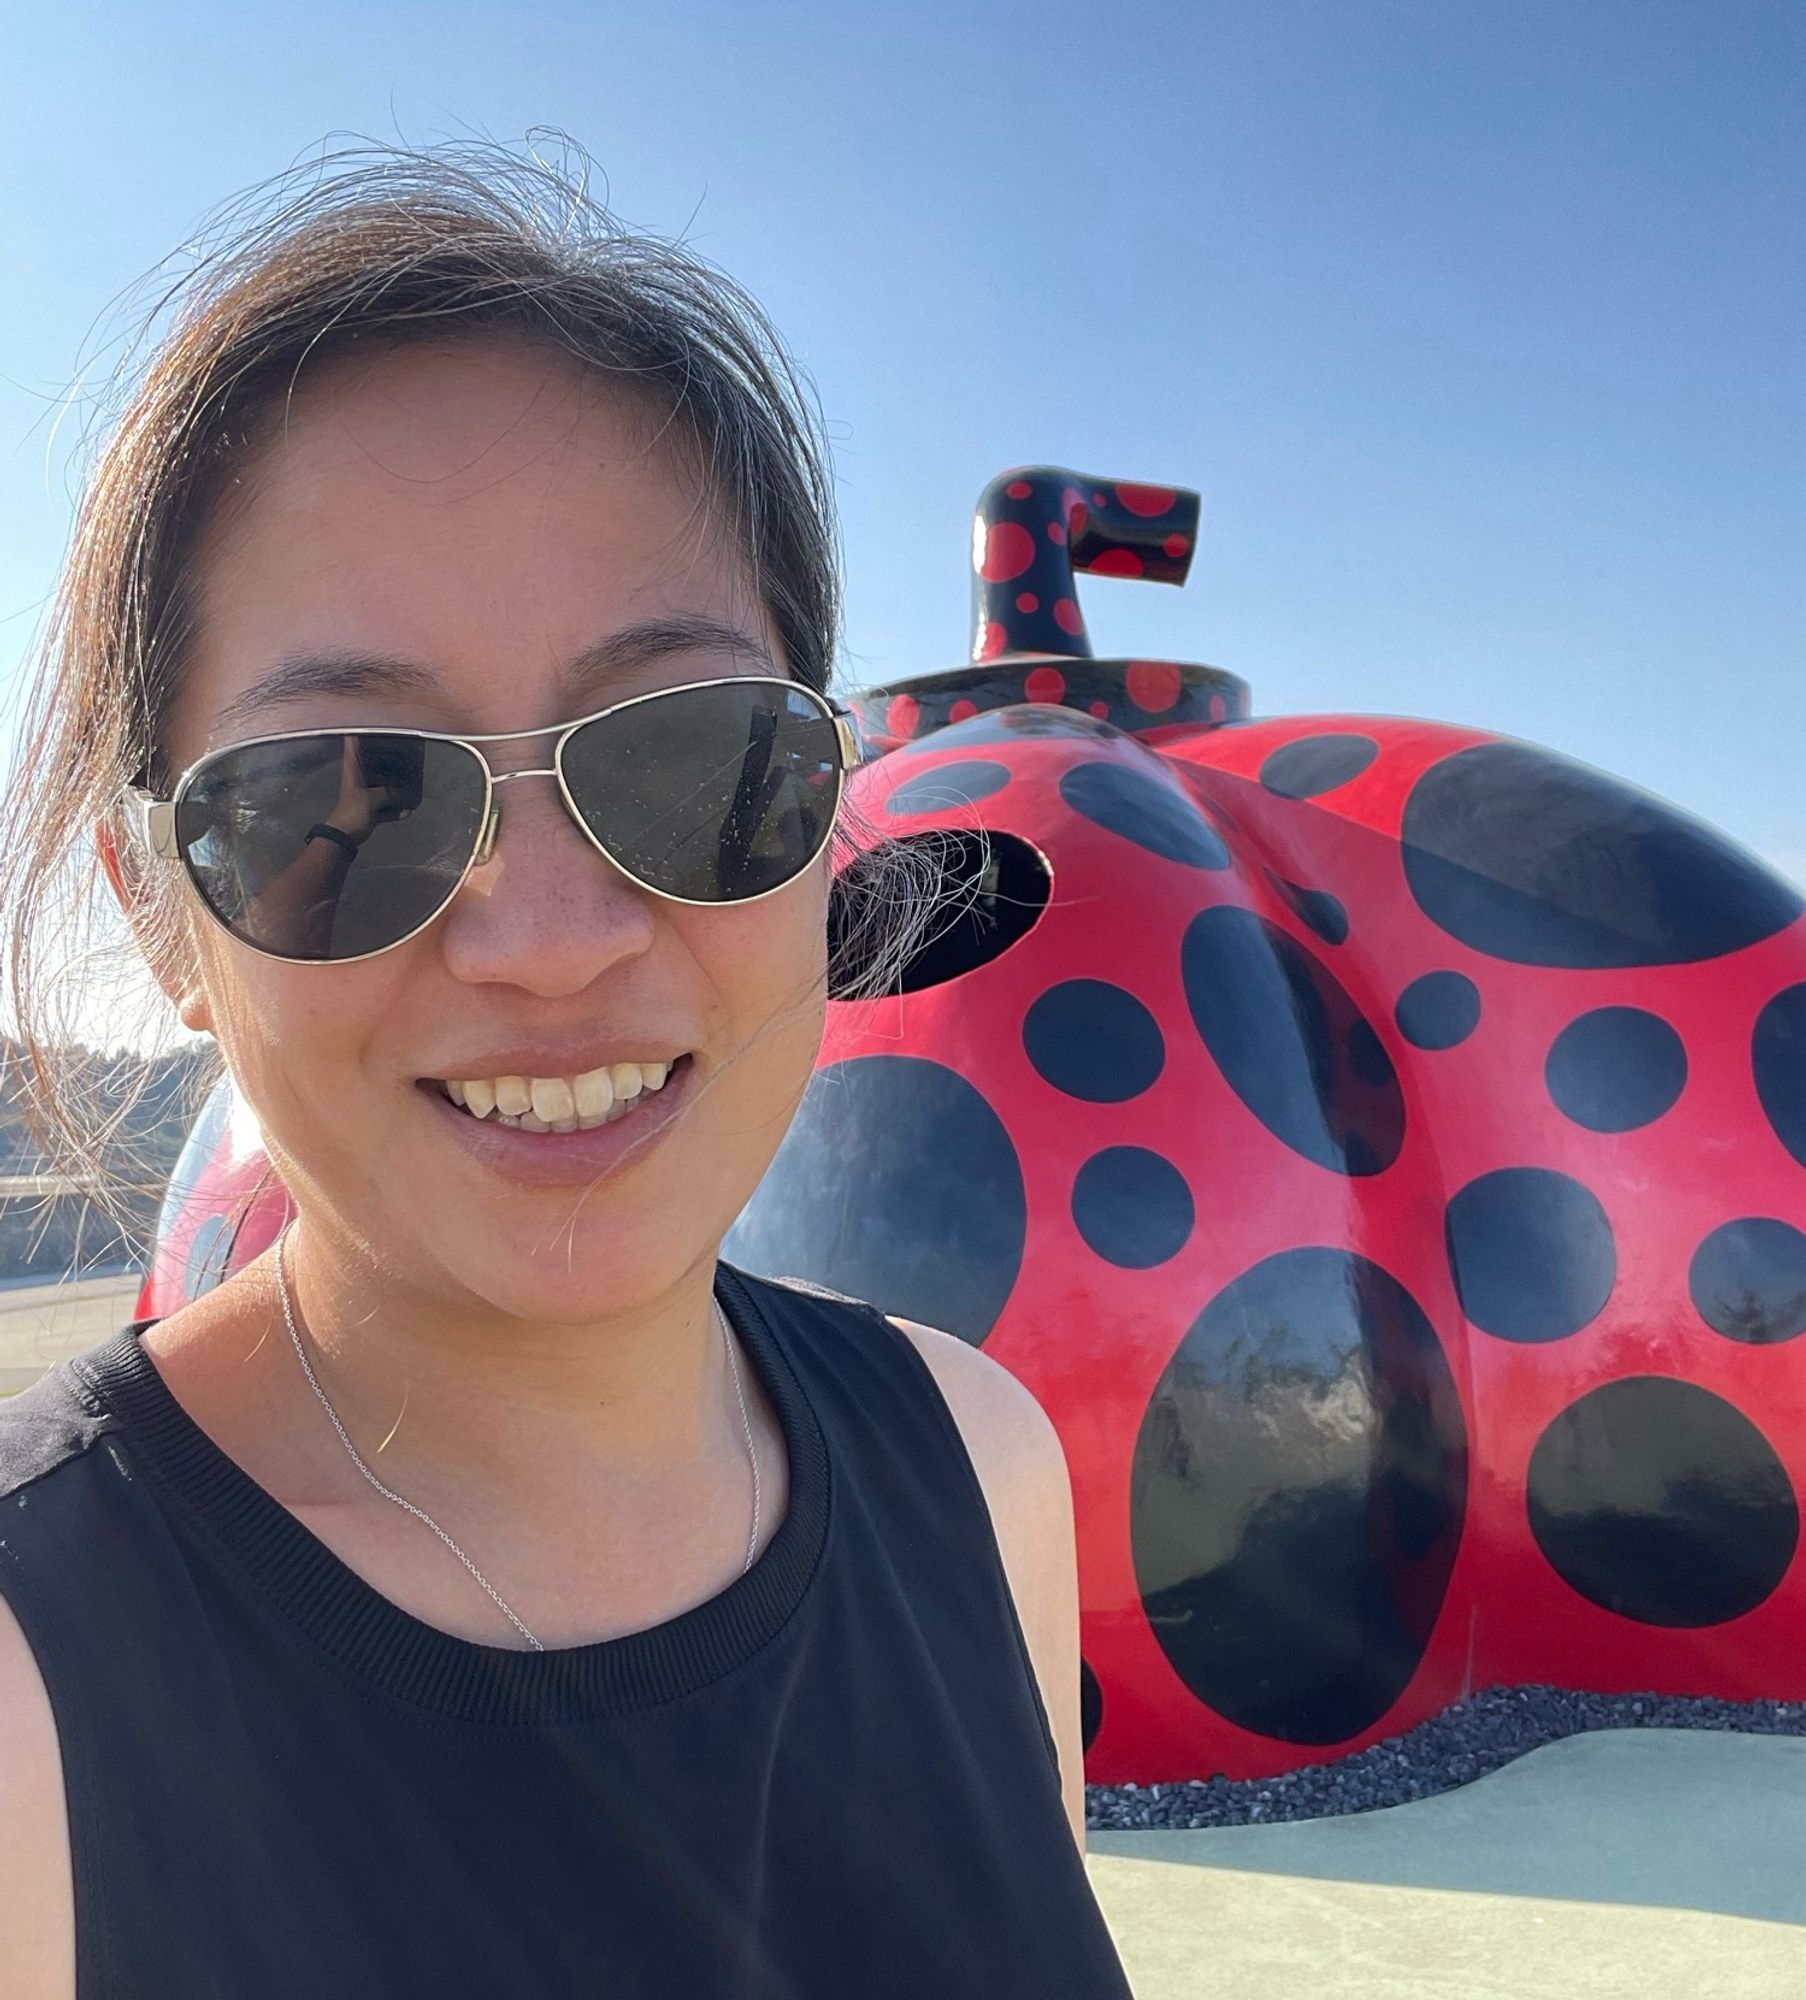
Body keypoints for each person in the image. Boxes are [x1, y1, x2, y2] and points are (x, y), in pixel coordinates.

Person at [0, 145, 1134, 1997]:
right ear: (160, 916)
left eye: (690, 760)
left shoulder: (974, 1460)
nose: (547, 938)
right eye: (344, 799)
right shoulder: (31, 1698)